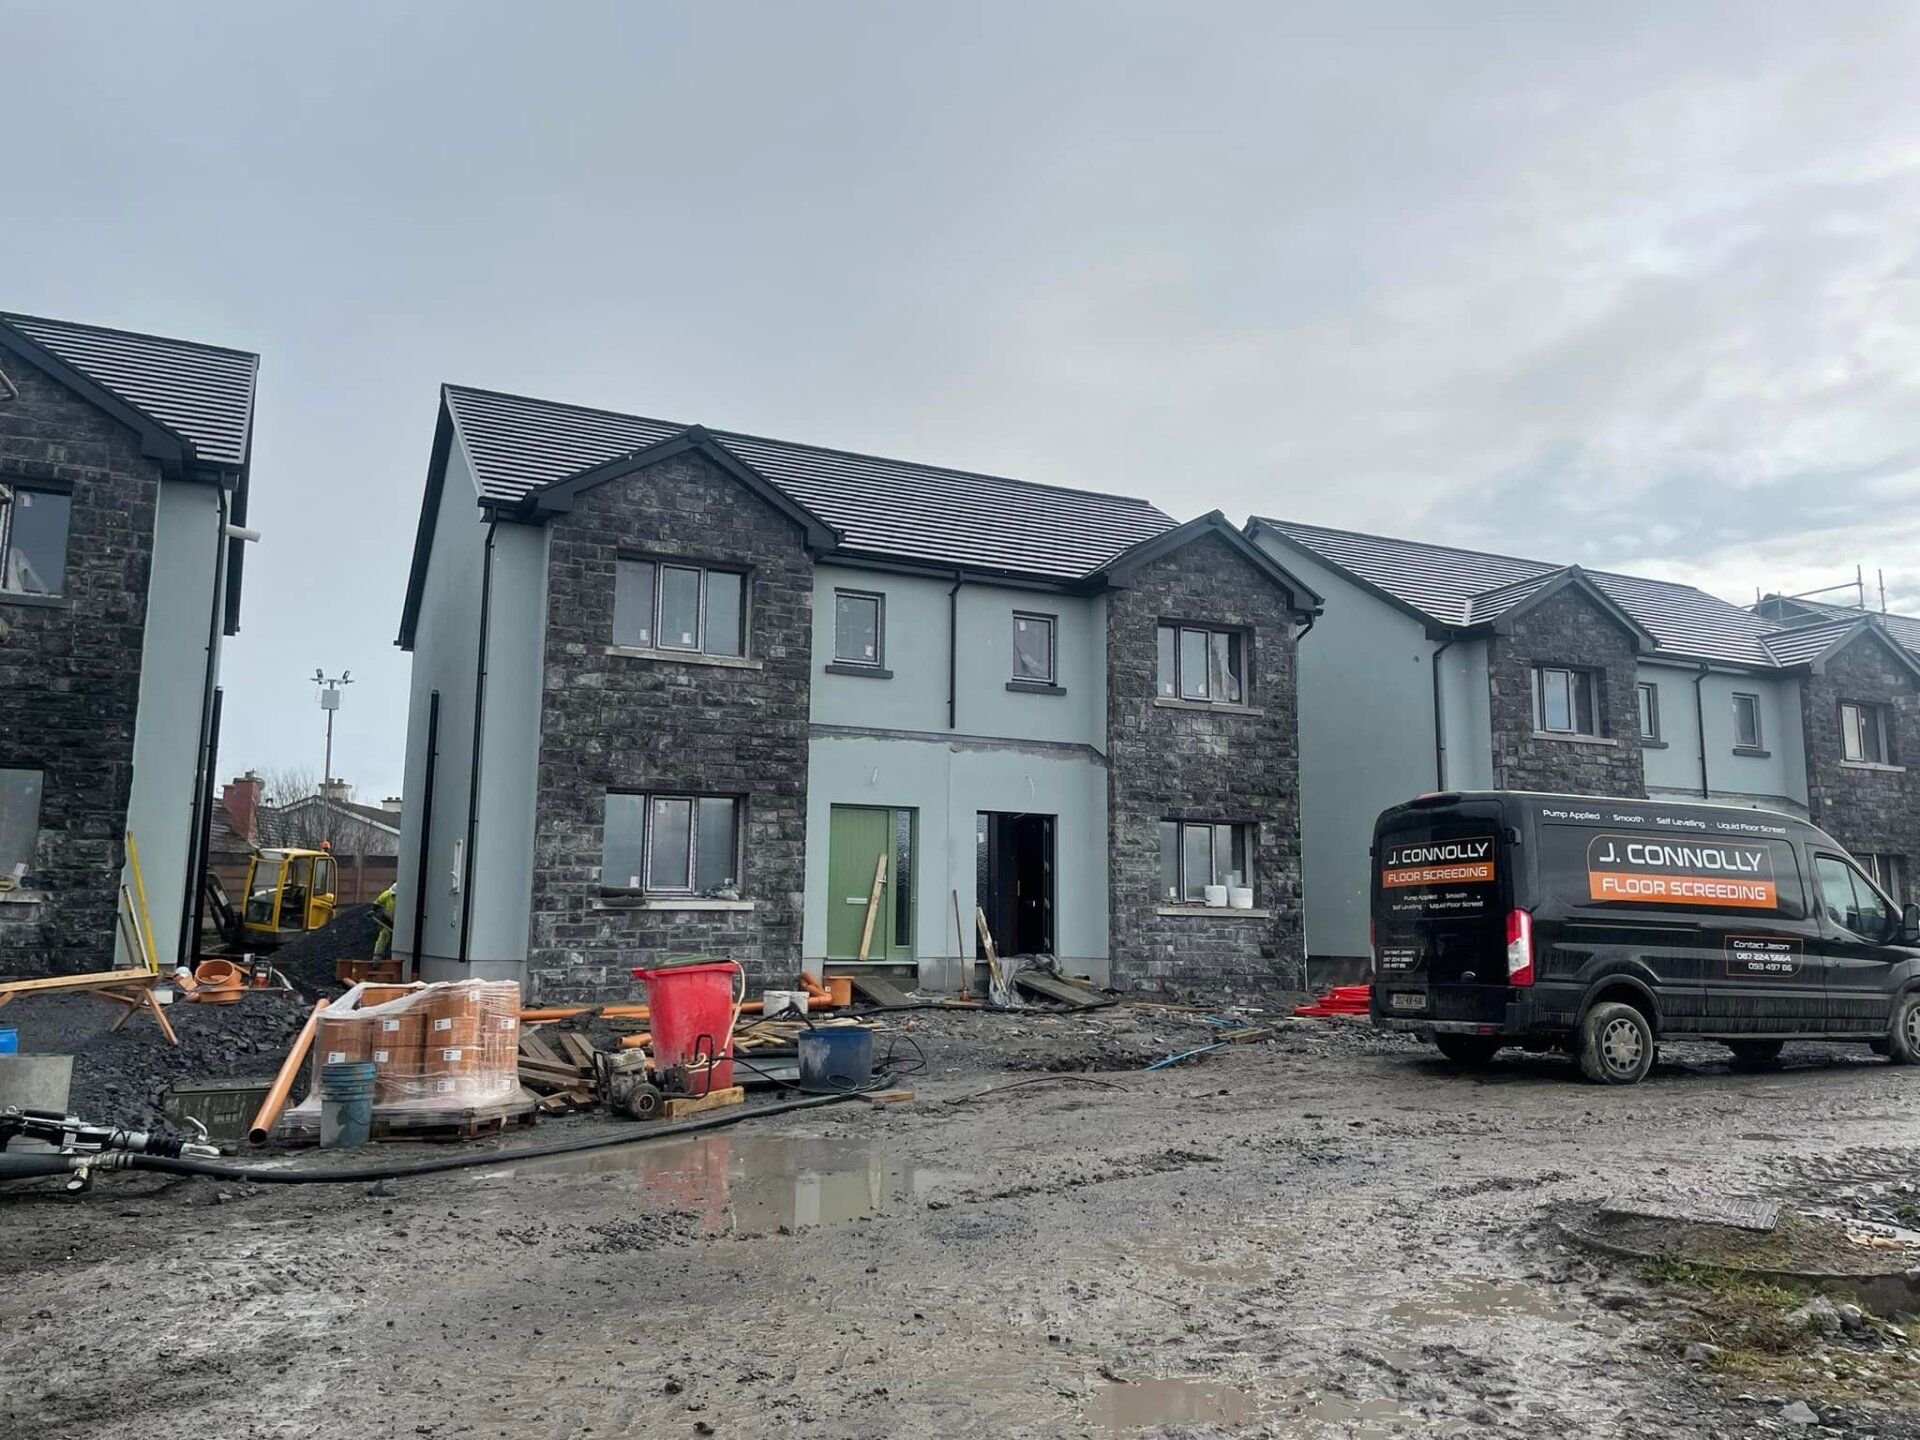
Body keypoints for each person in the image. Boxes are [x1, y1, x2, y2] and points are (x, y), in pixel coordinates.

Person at [373, 883, 396, 958]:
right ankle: (377, 957)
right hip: (387, 919)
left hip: (399, 922)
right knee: (384, 935)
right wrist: (378, 912)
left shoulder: (404, 897)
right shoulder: (387, 894)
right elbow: (376, 904)